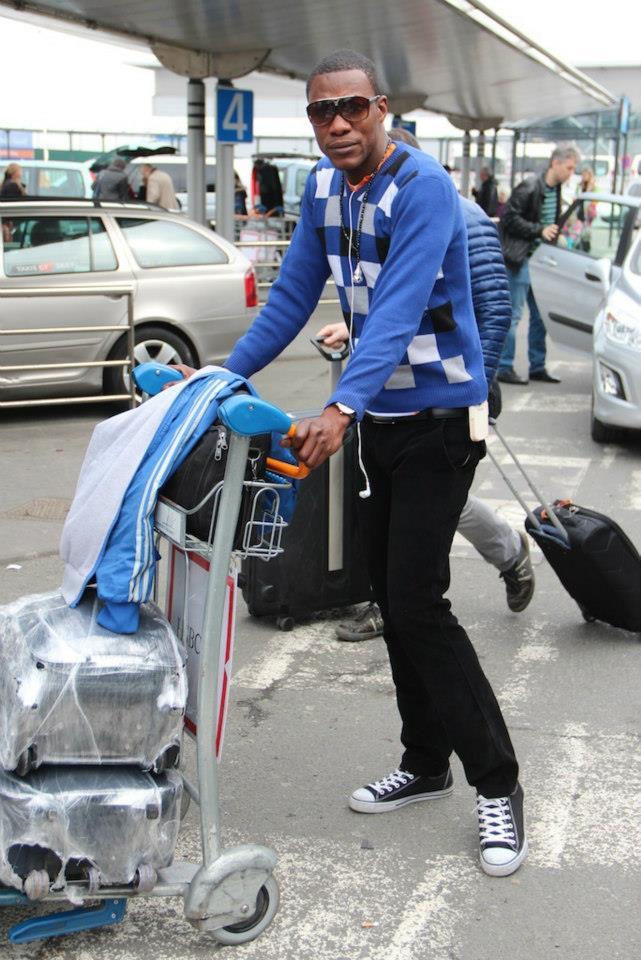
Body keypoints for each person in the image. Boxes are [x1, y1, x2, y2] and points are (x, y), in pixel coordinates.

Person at [219, 50, 527, 878]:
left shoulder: (419, 185)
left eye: (352, 107)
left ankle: (495, 782)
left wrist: (338, 406)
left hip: (439, 418)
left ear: (380, 108)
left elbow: (392, 312)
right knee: (390, 595)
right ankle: (425, 764)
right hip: (381, 422)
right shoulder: (322, 191)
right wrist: (222, 375)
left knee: (418, 602)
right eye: (322, 112)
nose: (339, 125)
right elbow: (291, 297)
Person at [325, 127, 534, 641]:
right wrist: (353, 334)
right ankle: (399, 598)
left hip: (454, 391)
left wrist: (476, 383)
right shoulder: (380, 214)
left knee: (433, 510)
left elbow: (492, 304)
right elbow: (393, 306)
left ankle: (501, 556)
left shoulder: (459, 214)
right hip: (392, 396)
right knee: (414, 508)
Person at [497, 144, 580, 385]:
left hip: (540, 261)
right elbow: (508, 219)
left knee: (540, 316)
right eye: (569, 167)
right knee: (514, 315)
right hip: (520, 260)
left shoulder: (556, 189)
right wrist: (539, 230)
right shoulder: (530, 186)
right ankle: (504, 366)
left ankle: (537, 365)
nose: (571, 173)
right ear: (555, 162)